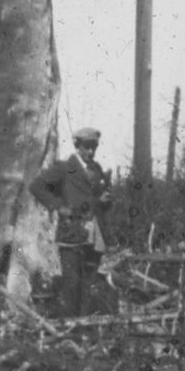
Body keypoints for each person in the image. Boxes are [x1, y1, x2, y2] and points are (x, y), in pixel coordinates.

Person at [30, 127, 112, 317]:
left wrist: (106, 201)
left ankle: (85, 327)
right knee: (71, 284)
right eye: (87, 147)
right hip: (71, 235)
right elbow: (36, 186)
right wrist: (58, 205)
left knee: (89, 284)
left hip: (94, 237)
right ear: (78, 146)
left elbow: (99, 204)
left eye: (94, 147)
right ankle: (69, 328)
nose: (91, 151)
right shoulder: (64, 168)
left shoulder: (97, 170)